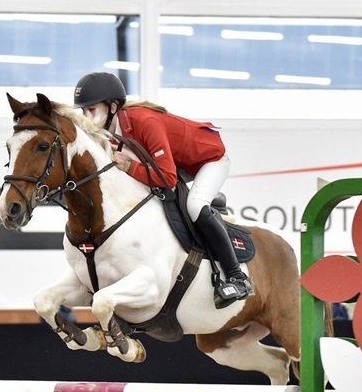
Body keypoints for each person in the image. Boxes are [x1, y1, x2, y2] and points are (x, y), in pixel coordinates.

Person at [72, 71, 254, 309]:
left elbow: (167, 178)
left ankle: (237, 277)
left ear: (113, 107)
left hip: (210, 159)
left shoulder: (145, 121)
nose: (86, 118)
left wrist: (129, 166)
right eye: (83, 112)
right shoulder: (111, 131)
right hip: (178, 164)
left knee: (195, 205)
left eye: (91, 110)